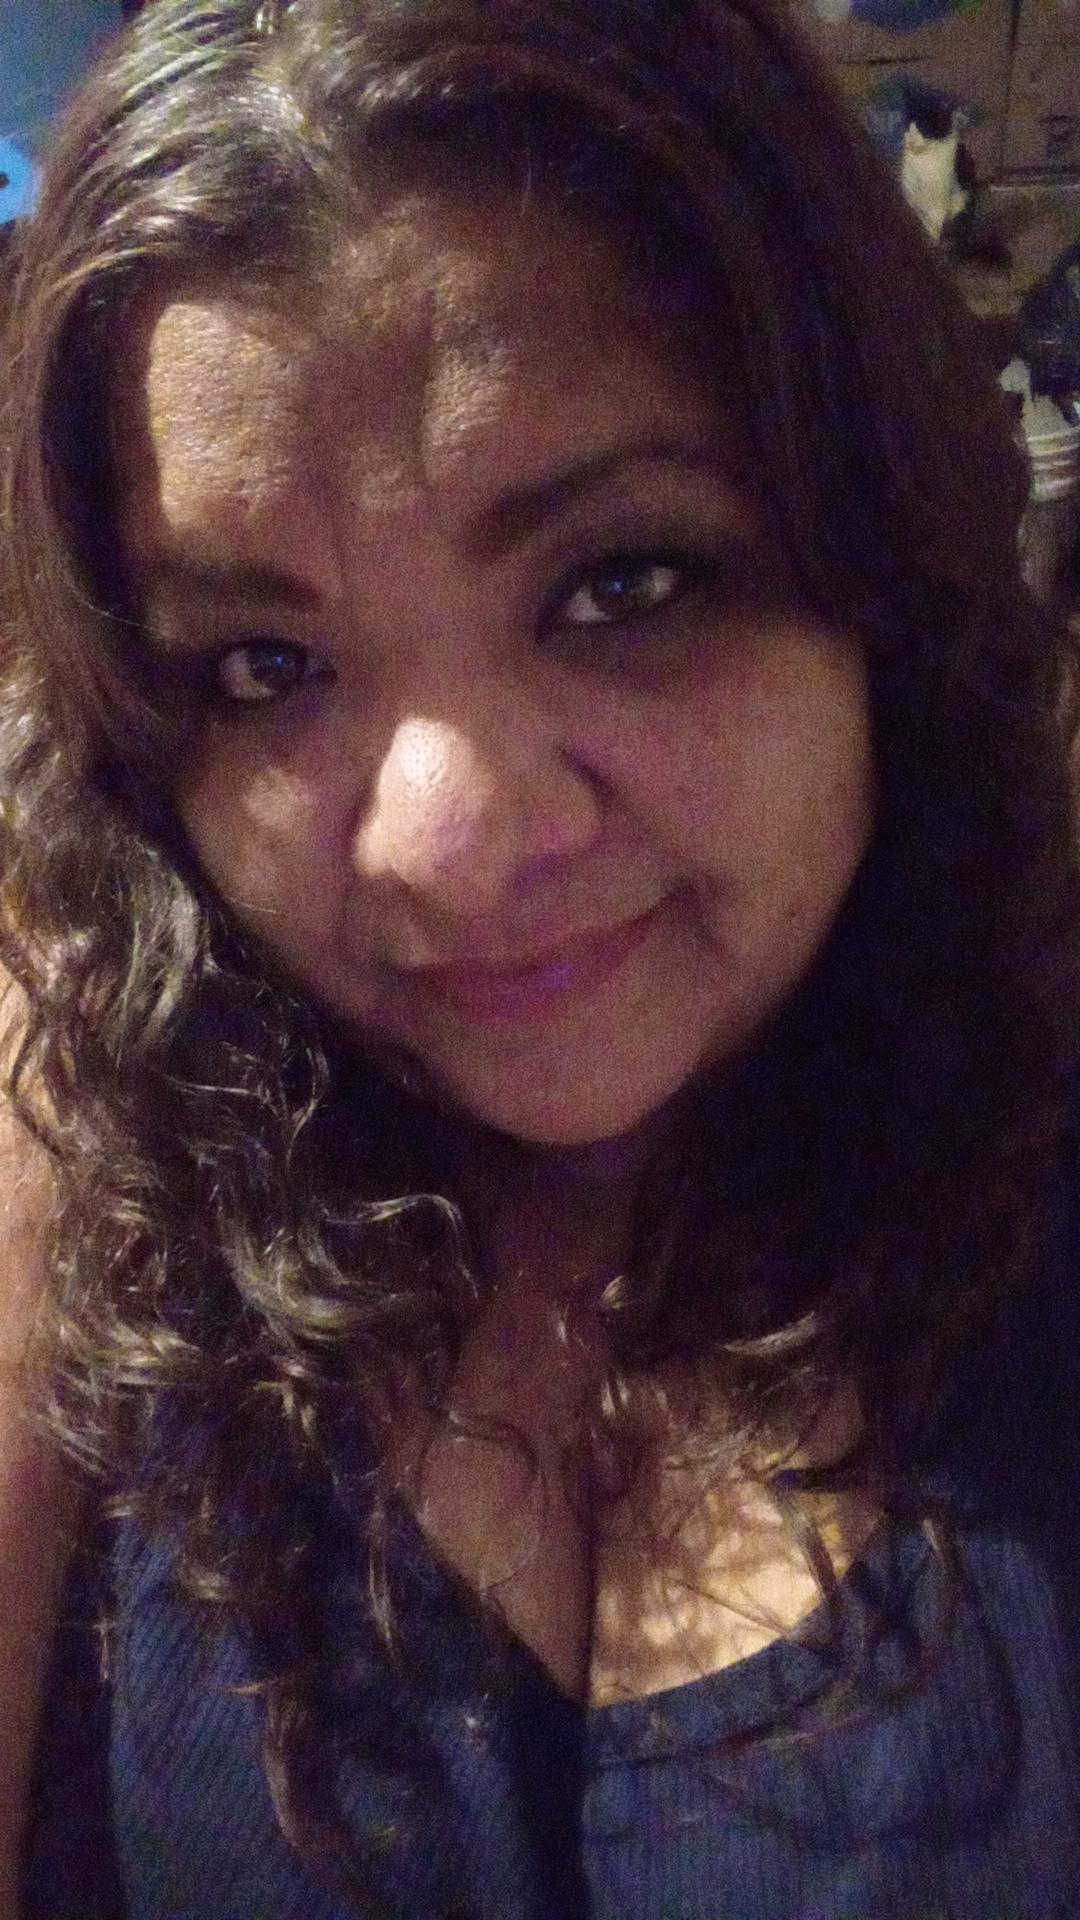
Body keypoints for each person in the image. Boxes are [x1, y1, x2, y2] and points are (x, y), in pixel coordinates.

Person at [0, 0, 1078, 1914]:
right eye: (267, 665)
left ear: (878, 554)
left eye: (618, 583)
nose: (450, 847)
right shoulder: (81, 1123)